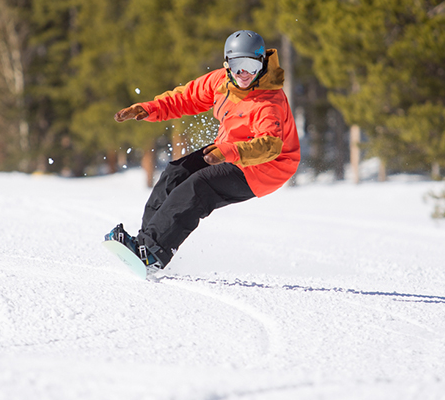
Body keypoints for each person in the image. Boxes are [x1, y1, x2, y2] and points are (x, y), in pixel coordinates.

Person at [106, 30, 300, 270]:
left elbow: (269, 146)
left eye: (251, 65)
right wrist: (149, 109)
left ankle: (153, 253)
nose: (244, 74)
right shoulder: (222, 81)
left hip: (267, 166)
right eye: (238, 65)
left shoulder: (269, 102)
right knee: (176, 172)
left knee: (199, 186)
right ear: (227, 63)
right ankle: (145, 243)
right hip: (229, 150)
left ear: (262, 63)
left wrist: (227, 153)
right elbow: (186, 98)